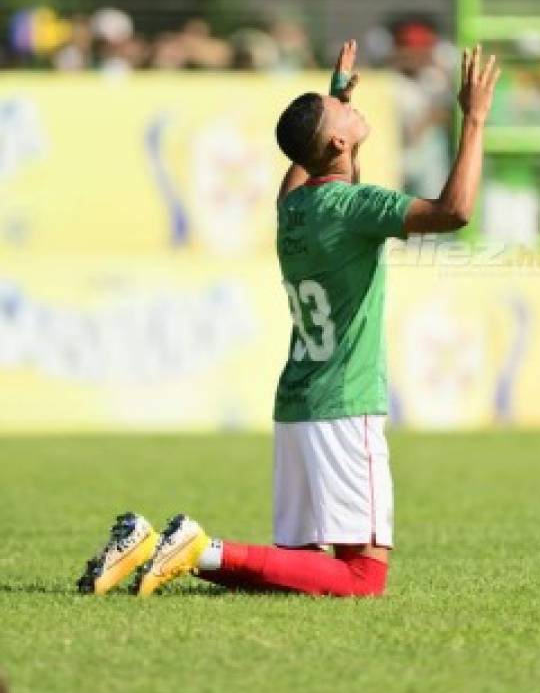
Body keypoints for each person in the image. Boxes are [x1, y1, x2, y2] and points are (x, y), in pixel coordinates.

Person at [77, 41, 500, 598]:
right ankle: (201, 548)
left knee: (296, 568)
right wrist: (473, 118)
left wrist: (333, 98)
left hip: (297, 404)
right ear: (339, 142)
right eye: (343, 113)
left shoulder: (293, 210)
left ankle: (151, 541)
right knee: (362, 578)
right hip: (345, 405)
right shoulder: (353, 207)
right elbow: (455, 212)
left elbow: (312, 166)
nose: (352, 108)